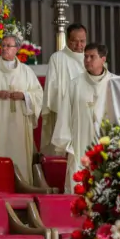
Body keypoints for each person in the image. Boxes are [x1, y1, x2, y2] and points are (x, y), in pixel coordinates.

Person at [0, 34, 44, 182]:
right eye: (3, 45)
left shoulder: (26, 72)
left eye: (9, 46)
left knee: (19, 154)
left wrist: (24, 96)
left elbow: (38, 95)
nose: (5, 49)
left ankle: (23, 184)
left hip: (19, 122)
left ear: (17, 49)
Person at [51, 43, 114, 192]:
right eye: (85, 56)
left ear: (103, 59)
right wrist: (65, 143)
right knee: (79, 188)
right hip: (79, 146)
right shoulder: (75, 84)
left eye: (92, 57)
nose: (87, 60)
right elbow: (65, 113)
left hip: (106, 147)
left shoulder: (114, 83)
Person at [41, 23, 87, 155]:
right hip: (64, 113)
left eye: (82, 41)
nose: (79, 45)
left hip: (85, 113)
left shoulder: (90, 57)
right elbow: (52, 88)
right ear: (67, 40)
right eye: (75, 41)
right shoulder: (57, 58)